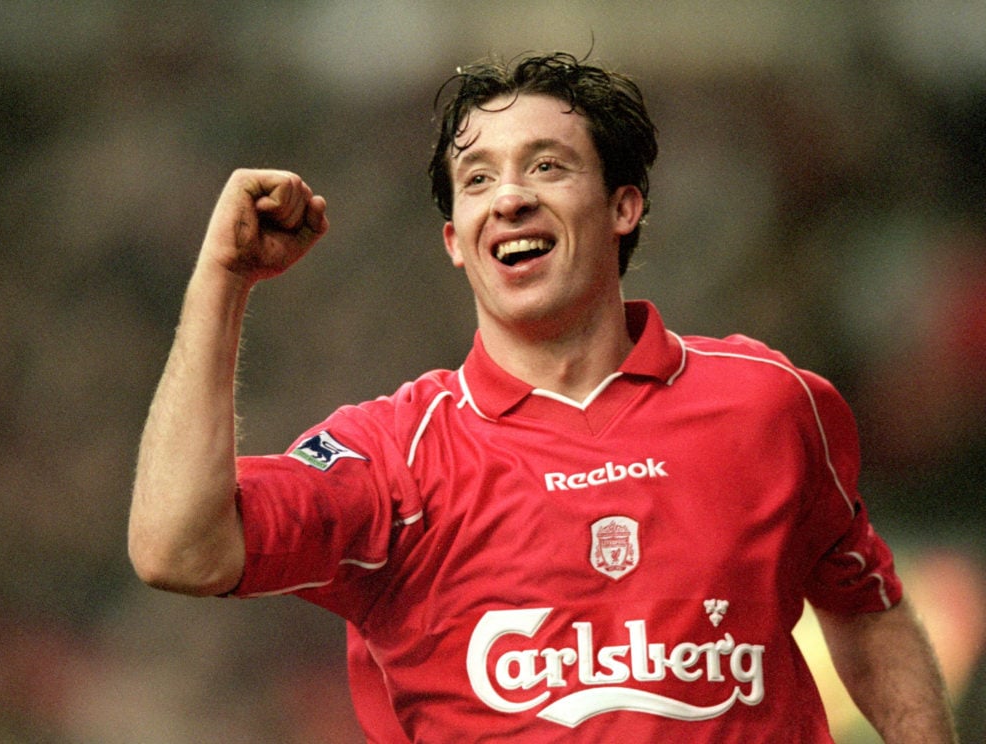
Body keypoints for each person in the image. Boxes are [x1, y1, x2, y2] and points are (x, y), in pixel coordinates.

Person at [129, 52, 957, 742]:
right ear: (456, 241)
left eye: (547, 166)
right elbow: (178, 549)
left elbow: (866, 609)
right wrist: (223, 282)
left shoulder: (768, 404)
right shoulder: (394, 456)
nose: (510, 195)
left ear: (623, 206)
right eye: (478, 178)